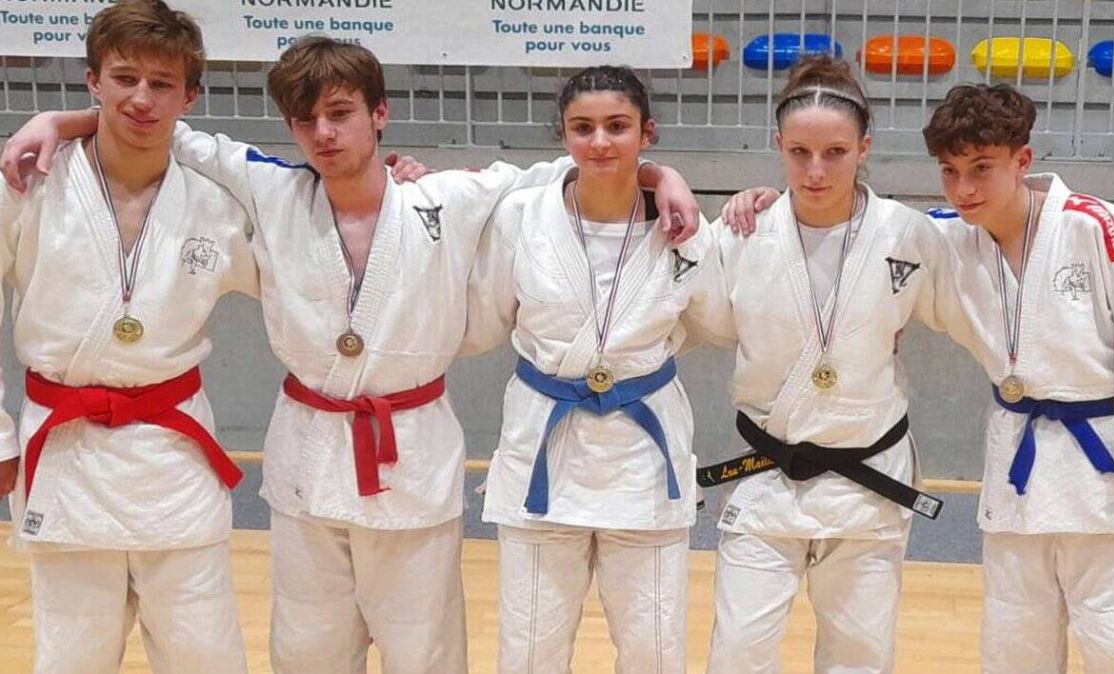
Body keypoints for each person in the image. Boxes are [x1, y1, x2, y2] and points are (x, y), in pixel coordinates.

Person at [3, 36, 703, 674]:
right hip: (309, 457)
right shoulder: (270, 188)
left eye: (341, 113)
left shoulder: (448, 199)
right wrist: (57, 122)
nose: (325, 133)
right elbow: (155, 125)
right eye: (306, 121)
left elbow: (583, 162)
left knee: (425, 652)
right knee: (306, 652)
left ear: (381, 113)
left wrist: (659, 174)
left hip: (411, 455)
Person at [0, 1, 255, 672]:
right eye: (123, 77)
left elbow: (311, 276)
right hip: (66, 455)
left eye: (162, 83)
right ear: (92, 80)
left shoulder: (219, 202)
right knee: (70, 660)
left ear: (190, 94)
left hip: (172, 461)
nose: (141, 98)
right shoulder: (27, 184)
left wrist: (394, 185)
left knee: (208, 659)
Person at [460, 65, 735, 674]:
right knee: (529, 649)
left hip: (642, 456)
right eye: (583, 128)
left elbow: (714, 322)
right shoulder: (522, 217)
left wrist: (636, 356)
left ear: (647, 133)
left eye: (618, 126)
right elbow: (486, 319)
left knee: (654, 650)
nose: (601, 142)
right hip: (543, 448)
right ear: (563, 135)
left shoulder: (684, 229)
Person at [921, 83, 1114, 674]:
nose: (964, 188)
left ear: (1023, 160)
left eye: (981, 168)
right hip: (1018, 472)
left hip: (1105, 472)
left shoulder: (1095, 226)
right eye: (949, 171)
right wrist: (765, 199)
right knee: (1013, 642)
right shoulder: (945, 236)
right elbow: (856, 229)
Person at [700, 55, 961, 674]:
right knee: (737, 654)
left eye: (836, 153)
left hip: (867, 477)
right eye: (799, 153)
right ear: (778, 146)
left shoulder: (909, 234)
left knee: (860, 658)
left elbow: (984, 258)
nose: (815, 171)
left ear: (864, 147)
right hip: (769, 475)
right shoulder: (739, 232)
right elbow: (704, 324)